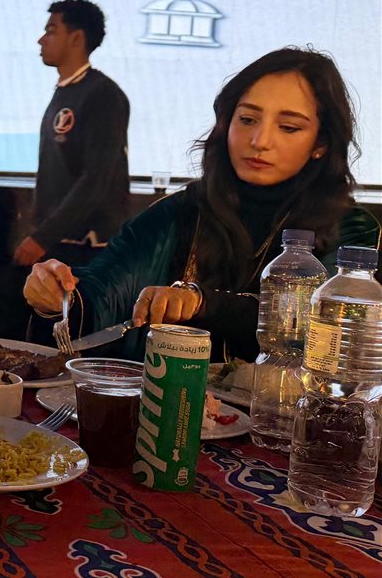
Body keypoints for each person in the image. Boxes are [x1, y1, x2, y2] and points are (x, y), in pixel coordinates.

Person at [24, 46, 380, 363]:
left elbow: (324, 331)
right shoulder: (179, 212)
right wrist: (57, 294)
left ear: (321, 143)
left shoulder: (352, 231)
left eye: (288, 127)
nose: (259, 140)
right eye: (247, 119)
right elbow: (104, 294)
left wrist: (203, 303)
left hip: (284, 416)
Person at [13, 0, 130, 269]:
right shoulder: (66, 91)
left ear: (76, 38)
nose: (41, 40)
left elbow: (96, 178)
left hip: (85, 246)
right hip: (59, 240)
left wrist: (43, 237)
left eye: (51, 31)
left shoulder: (103, 94)